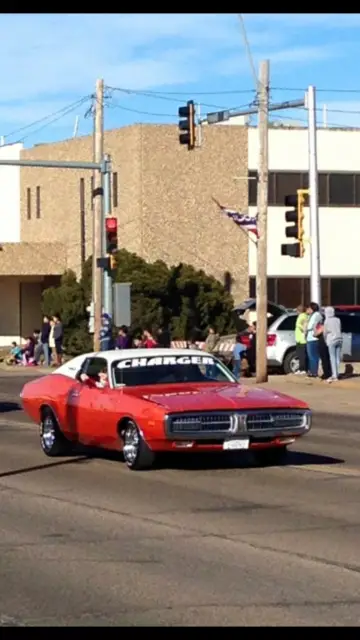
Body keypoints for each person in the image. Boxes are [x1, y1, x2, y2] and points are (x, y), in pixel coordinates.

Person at [323, 306, 343, 382]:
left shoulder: (327, 321)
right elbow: (340, 328)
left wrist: (325, 340)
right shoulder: (338, 320)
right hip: (340, 339)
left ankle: (334, 375)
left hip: (331, 340)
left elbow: (325, 332)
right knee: (337, 357)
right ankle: (337, 373)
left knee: (332, 357)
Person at [305, 302, 323, 377]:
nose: (307, 309)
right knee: (310, 356)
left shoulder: (316, 315)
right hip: (309, 338)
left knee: (313, 356)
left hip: (314, 338)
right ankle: (311, 371)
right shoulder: (310, 316)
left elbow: (310, 326)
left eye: (308, 308)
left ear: (312, 309)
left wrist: (306, 325)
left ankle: (314, 372)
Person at [295, 305, 308, 375]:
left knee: (301, 355)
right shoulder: (304, 316)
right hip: (300, 339)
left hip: (301, 339)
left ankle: (303, 369)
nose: (296, 312)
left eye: (297, 311)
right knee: (301, 355)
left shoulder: (302, 316)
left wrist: (303, 329)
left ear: (299, 311)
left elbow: (299, 324)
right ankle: (301, 369)